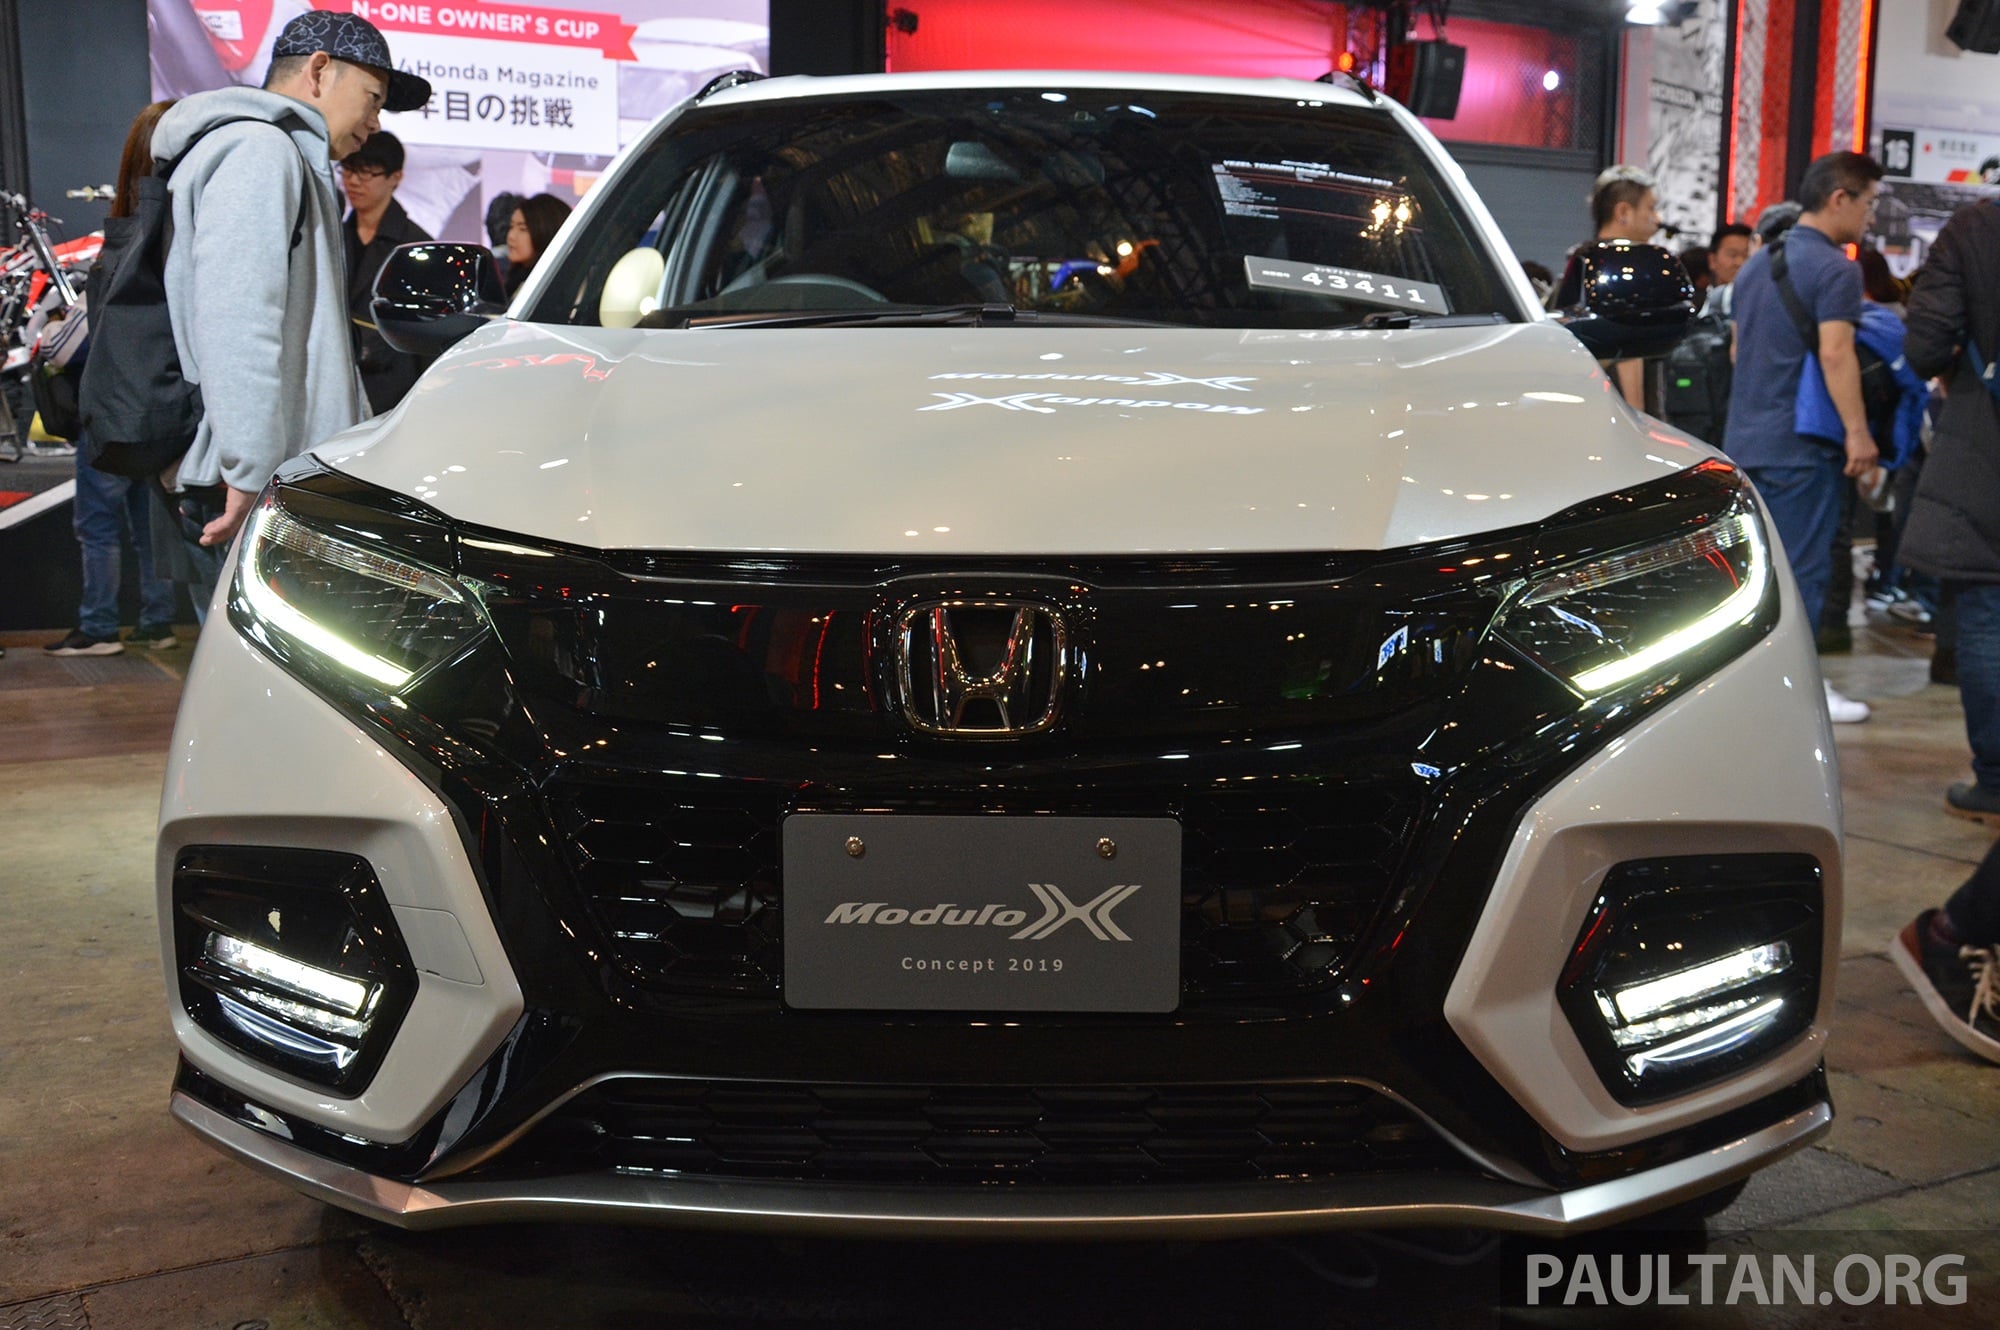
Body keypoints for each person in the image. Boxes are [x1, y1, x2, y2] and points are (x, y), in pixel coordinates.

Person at [149, 11, 429, 610]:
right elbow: (238, 318)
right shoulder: (260, 152)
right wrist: (250, 472)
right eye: (373, 99)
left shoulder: (275, 154)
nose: (374, 122)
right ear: (320, 71)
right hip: (250, 487)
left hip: (267, 478)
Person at [1722, 151, 1884, 724]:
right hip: (1801, 446)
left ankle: (1754, 689)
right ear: (1839, 197)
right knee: (1803, 575)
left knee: (1755, 577)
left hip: (1745, 443)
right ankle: (1800, 694)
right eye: (1868, 202)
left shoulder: (1756, 264)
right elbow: (1836, 354)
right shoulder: (1837, 270)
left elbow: (1738, 351)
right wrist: (1858, 433)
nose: (1870, 216)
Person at [43, 101, 182, 657]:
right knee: (148, 526)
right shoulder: (177, 232)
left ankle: (99, 626)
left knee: (98, 524)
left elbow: (72, 342)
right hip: (160, 410)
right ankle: (157, 621)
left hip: (113, 408)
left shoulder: (127, 240)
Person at [1895, 193, 2000, 823]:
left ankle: (1996, 783)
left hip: (1987, 452)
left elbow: (1926, 347)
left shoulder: (1976, 228)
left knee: (1988, 611)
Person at [339, 130, 431, 413]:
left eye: (367, 172)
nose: (354, 181)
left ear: (396, 177)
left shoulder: (416, 247)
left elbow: (426, 338)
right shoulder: (333, 235)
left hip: (393, 391)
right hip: (339, 381)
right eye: (349, 169)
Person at [1580, 165, 1664, 411]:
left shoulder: (1582, 262)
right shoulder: (1625, 271)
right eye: (1651, 208)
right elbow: (1629, 352)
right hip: (1617, 418)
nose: (1657, 218)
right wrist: (1637, 420)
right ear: (1623, 212)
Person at [503, 193, 573, 299]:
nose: (511, 236)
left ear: (545, 232)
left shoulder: (551, 288)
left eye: (522, 229)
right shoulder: (514, 279)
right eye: (511, 226)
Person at [1702, 222, 1755, 318]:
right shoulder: (1698, 302)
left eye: (1747, 255)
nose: (1740, 263)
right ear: (1712, 260)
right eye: (1732, 255)